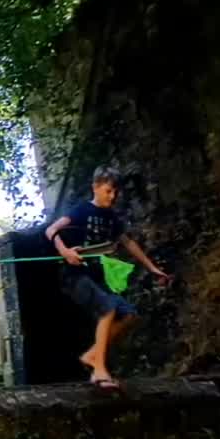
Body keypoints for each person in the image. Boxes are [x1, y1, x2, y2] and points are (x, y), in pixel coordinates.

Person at [44, 166, 172, 389]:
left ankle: (92, 355)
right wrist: (65, 252)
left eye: (115, 193)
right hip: (74, 276)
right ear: (95, 187)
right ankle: (99, 371)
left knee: (129, 315)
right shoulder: (81, 210)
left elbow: (128, 243)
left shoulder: (111, 218)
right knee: (108, 309)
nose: (112, 197)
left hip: (96, 276)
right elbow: (51, 230)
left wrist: (152, 268)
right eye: (108, 191)